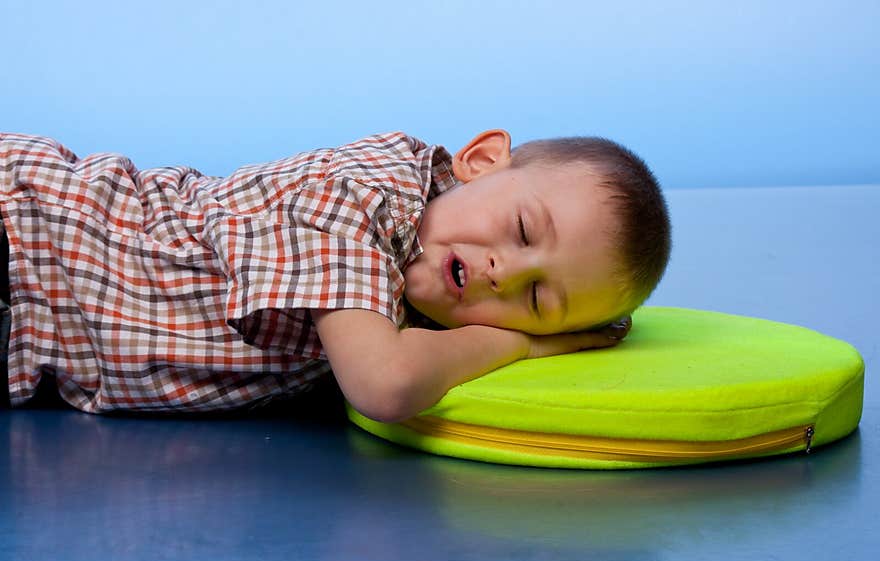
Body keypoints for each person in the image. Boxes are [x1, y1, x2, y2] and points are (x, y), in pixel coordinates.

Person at [0, 129, 670, 420]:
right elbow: (385, 384)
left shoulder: (417, 302)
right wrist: (524, 341)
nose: (504, 271)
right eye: (523, 231)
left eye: (537, 298)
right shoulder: (357, 196)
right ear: (480, 159)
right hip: (21, 237)